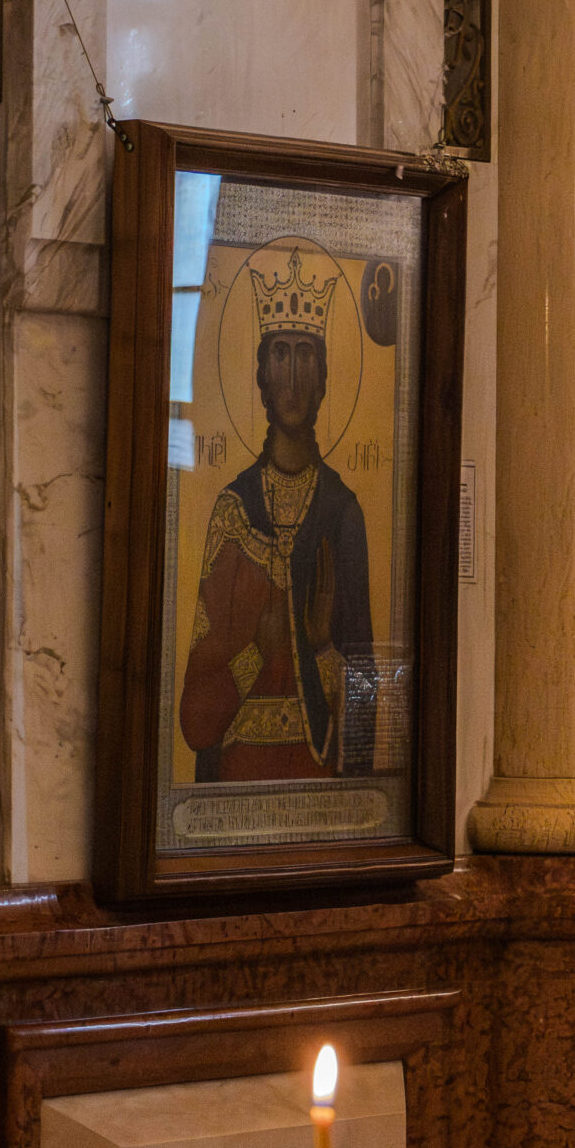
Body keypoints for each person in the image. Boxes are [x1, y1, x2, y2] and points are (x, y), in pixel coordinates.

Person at [180, 249, 376, 781]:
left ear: (323, 378)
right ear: (262, 375)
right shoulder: (232, 513)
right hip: (236, 778)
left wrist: (321, 650)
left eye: (306, 356)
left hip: (319, 777)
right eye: (281, 355)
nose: (292, 376)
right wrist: (256, 654)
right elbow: (195, 721)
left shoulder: (342, 514)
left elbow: (365, 698)